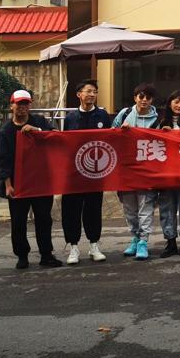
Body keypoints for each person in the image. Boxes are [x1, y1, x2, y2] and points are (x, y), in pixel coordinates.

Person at [0, 89, 61, 269]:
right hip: (18, 183)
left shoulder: (39, 121)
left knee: (44, 219)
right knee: (18, 222)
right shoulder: (6, 131)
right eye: (19, 104)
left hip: (41, 181)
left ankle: (46, 254)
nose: (22, 107)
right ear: (12, 106)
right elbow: (2, 160)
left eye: (26, 103)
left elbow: (56, 136)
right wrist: (8, 185)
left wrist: (37, 131)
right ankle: (22, 255)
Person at [61, 79, 112, 264]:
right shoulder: (70, 118)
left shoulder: (102, 115)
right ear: (79, 94)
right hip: (74, 174)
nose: (92, 95)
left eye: (94, 92)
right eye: (88, 91)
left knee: (93, 209)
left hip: (95, 172)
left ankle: (94, 245)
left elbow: (110, 140)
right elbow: (65, 143)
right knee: (71, 210)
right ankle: (73, 247)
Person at [112, 83, 159, 261]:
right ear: (135, 98)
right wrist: (120, 131)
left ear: (152, 100)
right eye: (141, 96)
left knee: (145, 208)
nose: (144, 100)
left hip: (147, 171)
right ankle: (135, 237)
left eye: (148, 97)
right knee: (129, 209)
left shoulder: (158, 119)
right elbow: (111, 135)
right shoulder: (124, 114)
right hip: (126, 170)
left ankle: (143, 242)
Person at [154, 91, 180, 258]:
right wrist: (161, 132)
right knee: (167, 209)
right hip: (165, 173)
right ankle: (170, 242)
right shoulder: (160, 121)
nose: (179, 106)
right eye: (176, 102)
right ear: (170, 103)